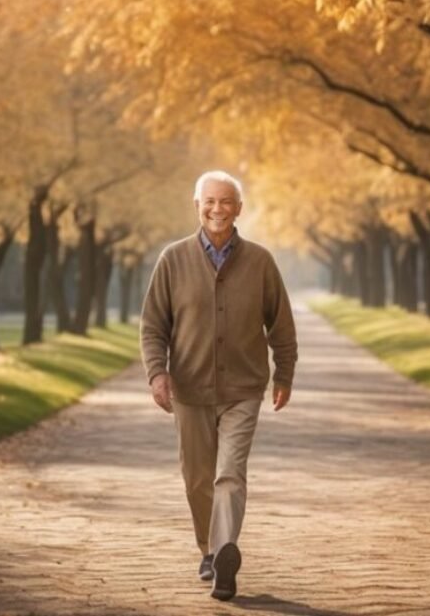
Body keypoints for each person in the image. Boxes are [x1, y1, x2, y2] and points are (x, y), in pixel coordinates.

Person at [140, 170, 298, 602]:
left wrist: (284, 374)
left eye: (226, 201)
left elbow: (281, 325)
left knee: (230, 473)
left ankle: (225, 552)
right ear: (197, 206)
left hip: (244, 389)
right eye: (209, 201)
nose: (217, 209)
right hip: (189, 391)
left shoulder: (261, 262)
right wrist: (157, 373)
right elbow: (153, 326)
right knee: (197, 478)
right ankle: (209, 550)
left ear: (239, 209)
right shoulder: (172, 260)